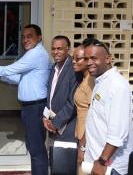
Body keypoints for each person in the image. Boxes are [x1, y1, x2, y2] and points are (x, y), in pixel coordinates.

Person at [0, 24, 52, 175]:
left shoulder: (36, 54)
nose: (25, 40)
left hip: (35, 108)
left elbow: (12, 68)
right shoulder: (33, 54)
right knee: (33, 148)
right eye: (23, 37)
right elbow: (20, 78)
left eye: (29, 36)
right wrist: (1, 76)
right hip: (30, 108)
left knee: (37, 150)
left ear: (39, 38)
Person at [84, 39, 133, 175]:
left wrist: (102, 161)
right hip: (96, 162)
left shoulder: (117, 86)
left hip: (110, 166)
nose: (89, 63)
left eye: (94, 58)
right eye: (86, 58)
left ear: (107, 59)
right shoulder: (100, 81)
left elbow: (117, 133)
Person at [42, 35, 81, 143]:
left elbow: (72, 102)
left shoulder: (74, 69)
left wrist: (56, 123)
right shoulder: (54, 68)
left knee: (66, 159)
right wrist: (45, 118)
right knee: (54, 158)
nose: (55, 52)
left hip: (67, 129)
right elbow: (51, 97)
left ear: (68, 50)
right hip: (52, 127)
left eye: (59, 49)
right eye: (53, 49)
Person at [72, 41, 95, 175]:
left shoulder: (91, 81)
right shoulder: (84, 79)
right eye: (73, 58)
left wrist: (82, 146)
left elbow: (93, 115)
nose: (74, 61)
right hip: (82, 133)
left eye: (78, 58)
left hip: (87, 136)